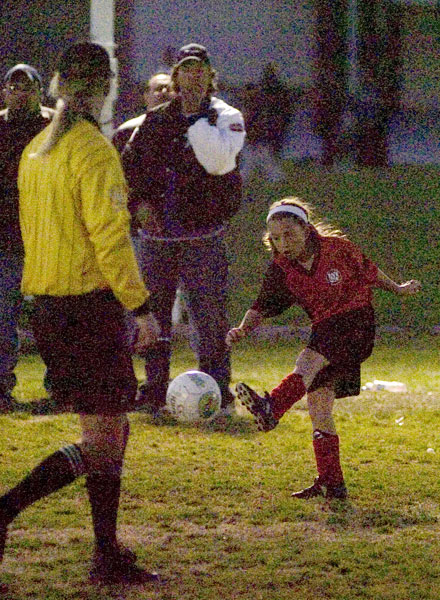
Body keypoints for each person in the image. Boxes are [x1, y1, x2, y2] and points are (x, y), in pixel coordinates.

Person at [0, 42, 161, 585]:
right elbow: (111, 242)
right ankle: (8, 511)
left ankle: (106, 551)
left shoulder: (37, 150)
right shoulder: (92, 151)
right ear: (104, 88)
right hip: (86, 309)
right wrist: (141, 308)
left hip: (47, 308)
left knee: (111, 432)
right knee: (103, 440)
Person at [227, 197, 421, 500]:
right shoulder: (282, 269)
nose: (283, 243)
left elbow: (370, 272)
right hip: (325, 329)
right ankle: (332, 483)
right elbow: (261, 305)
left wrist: (398, 288)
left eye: (289, 234)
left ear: (306, 229)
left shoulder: (337, 249)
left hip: (357, 323)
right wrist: (242, 329)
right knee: (318, 407)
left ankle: (272, 407)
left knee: (306, 360)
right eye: (276, 238)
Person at [122, 43, 246, 417]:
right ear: (175, 76)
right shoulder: (155, 119)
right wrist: (138, 205)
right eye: (186, 70)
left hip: (203, 235)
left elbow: (219, 162)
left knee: (209, 317)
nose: (192, 76)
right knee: (154, 317)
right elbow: (131, 167)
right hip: (157, 236)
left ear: (211, 76)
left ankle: (217, 389)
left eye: (199, 70)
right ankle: (154, 388)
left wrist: (196, 119)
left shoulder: (226, 116)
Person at [0, 63, 54, 411]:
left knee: (53, 319)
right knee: (2, 319)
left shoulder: (54, 125)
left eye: (27, 88)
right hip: (5, 239)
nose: (20, 94)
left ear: (39, 92)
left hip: (48, 236)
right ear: (4, 91)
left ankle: (60, 385)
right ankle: (1, 388)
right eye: (14, 88)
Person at [112, 72, 173, 154]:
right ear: (146, 96)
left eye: (169, 89)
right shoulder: (127, 131)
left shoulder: (185, 129)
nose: (164, 92)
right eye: (159, 89)